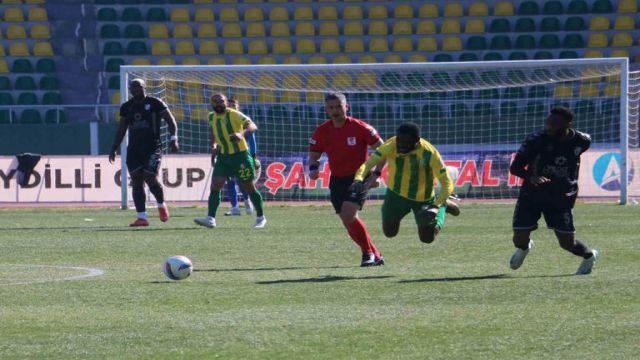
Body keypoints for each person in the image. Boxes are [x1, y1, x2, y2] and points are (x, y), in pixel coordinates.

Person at [509, 107, 598, 275]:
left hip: (562, 196)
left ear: (567, 124)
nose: (549, 127)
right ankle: (525, 247)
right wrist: (532, 177)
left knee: (566, 244)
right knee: (519, 239)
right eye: (548, 123)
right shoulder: (536, 140)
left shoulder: (582, 140)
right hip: (532, 194)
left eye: (554, 124)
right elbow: (515, 168)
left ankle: (589, 256)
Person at [308, 92, 385, 267]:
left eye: (338, 106)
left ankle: (367, 254)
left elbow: (383, 150)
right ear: (326, 110)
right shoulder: (322, 131)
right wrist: (313, 168)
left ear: (346, 107)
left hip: (359, 177)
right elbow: (314, 154)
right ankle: (375, 253)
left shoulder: (361, 128)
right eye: (331, 107)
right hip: (337, 179)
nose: (335, 111)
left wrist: (375, 174)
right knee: (347, 219)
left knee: (348, 214)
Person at [353, 122, 459, 244]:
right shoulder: (390, 145)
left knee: (427, 238)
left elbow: (447, 184)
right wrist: (358, 179)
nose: (401, 146)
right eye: (400, 141)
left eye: (406, 143)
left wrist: (435, 206)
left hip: (422, 198)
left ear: (417, 140)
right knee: (389, 232)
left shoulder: (430, 153)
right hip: (395, 194)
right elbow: (368, 164)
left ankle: (443, 205)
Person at [109, 78, 179, 227]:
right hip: (134, 149)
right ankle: (142, 217)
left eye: (138, 86)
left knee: (150, 177)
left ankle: (161, 205)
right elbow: (122, 129)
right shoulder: (127, 107)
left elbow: (170, 120)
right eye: (132, 87)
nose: (134, 89)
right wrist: (114, 148)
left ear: (144, 87)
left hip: (153, 147)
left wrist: (174, 138)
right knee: (136, 182)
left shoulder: (155, 103)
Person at [194, 93, 266, 228]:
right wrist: (214, 146)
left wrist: (241, 134)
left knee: (249, 187)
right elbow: (214, 133)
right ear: (212, 104)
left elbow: (253, 126)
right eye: (215, 101)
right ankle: (210, 218)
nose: (218, 103)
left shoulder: (233, 114)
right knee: (215, 186)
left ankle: (261, 217)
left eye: (221, 101)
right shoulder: (211, 117)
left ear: (226, 102)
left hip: (240, 156)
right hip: (223, 157)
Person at [224, 98, 260, 216]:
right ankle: (235, 208)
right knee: (229, 182)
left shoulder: (243, 122)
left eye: (233, 106)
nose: (231, 107)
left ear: (238, 108)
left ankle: (247, 200)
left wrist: (253, 157)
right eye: (229, 105)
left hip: (243, 156)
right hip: (228, 155)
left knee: (243, 181)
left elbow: (252, 142)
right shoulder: (222, 121)